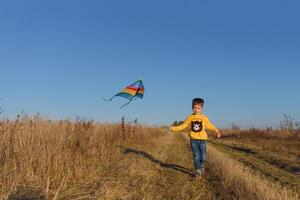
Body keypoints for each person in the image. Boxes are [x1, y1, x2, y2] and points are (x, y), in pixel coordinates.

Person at [169, 98, 221, 176]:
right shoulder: (190, 117)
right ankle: (198, 171)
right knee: (196, 155)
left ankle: (201, 165)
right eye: (195, 108)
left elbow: (210, 125)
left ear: (201, 109)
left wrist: (216, 130)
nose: (196, 110)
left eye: (198, 108)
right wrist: (173, 129)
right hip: (193, 139)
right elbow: (183, 125)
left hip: (202, 139)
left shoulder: (204, 118)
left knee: (203, 157)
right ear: (192, 107)